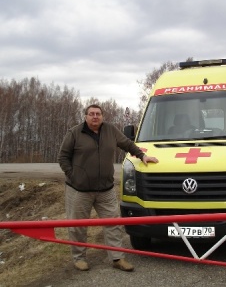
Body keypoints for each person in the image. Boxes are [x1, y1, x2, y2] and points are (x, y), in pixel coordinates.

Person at [58, 104, 159, 271]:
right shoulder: (74, 133)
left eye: (98, 114)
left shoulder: (110, 130)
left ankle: (117, 258)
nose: (95, 117)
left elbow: (127, 144)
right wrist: (74, 176)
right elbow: (63, 157)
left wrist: (142, 156)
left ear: (102, 116)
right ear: (85, 116)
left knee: (113, 224)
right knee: (78, 226)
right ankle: (79, 258)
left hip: (106, 189)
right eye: (91, 114)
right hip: (79, 190)